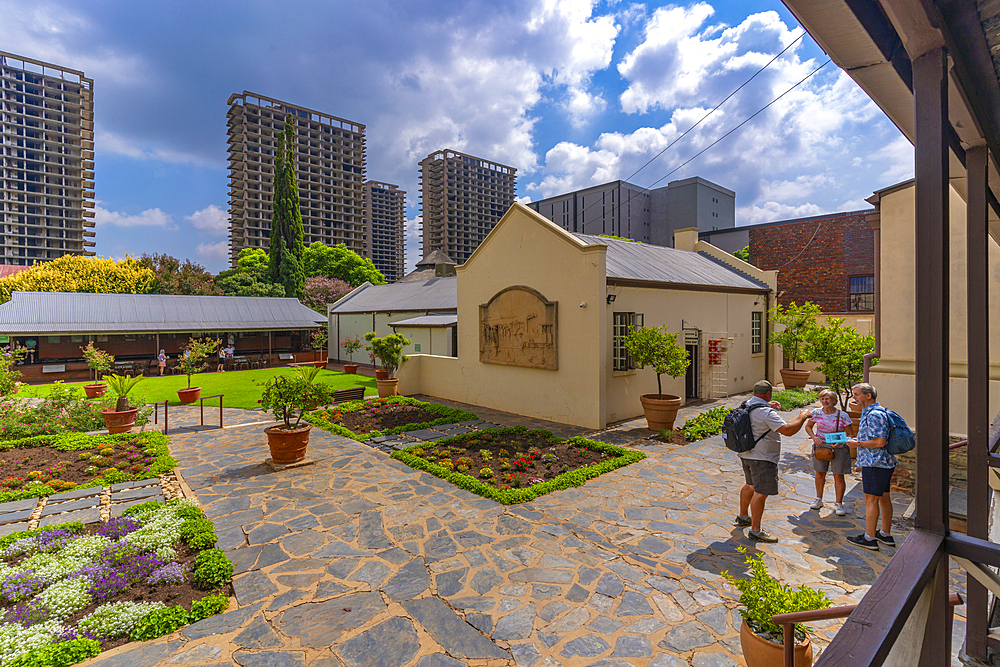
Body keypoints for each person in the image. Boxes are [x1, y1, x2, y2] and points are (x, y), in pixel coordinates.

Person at [735, 379, 812, 543]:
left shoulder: (745, 404)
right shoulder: (766, 413)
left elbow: (755, 418)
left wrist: (768, 405)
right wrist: (802, 416)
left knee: (749, 484)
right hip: (762, 458)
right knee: (760, 493)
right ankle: (756, 530)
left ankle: (743, 516)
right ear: (768, 393)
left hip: (746, 453)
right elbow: (788, 430)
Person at [846, 382, 896, 551]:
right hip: (882, 463)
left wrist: (857, 444)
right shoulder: (877, 412)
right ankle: (885, 534)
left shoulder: (874, 415)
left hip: (875, 463)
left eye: (857, 394)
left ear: (868, 396)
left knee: (871, 500)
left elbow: (879, 442)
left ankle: (869, 538)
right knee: (883, 497)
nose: (854, 397)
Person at [805, 389, 853, 516]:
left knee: (838, 475)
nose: (825, 401)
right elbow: (808, 426)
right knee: (820, 473)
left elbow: (850, 434)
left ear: (834, 401)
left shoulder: (842, 415)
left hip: (838, 446)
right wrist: (814, 437)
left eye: (828, 399)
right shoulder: (816, 413)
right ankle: (818, 499)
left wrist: (842, 442)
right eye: (823, 398)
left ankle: (838, 503)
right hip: (821, 445)